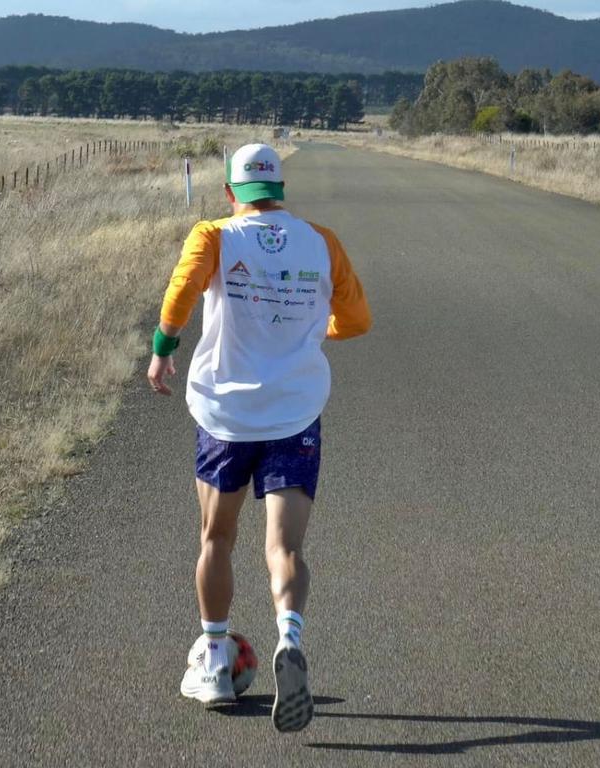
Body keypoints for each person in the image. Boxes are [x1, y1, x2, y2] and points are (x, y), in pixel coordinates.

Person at [147, 143, 371, 733]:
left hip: (226, 415)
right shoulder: (322, 241)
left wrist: (162, 352)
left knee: (216, 539)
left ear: (230, 193)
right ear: (280, 188)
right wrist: (308, 327)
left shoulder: (215, 235)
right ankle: (288, 637)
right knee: (286, 549)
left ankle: (216, 660)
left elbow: (180, 297)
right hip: (294, 412)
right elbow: (356, 322)